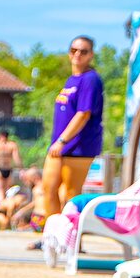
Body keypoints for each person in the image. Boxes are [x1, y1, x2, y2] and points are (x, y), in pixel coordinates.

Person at [38, 36, 104, 228]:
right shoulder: (71, 80)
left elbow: (83, 114)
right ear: (69, 53)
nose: (78, 54)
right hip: (60, 145)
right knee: (48, 189)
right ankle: (53, 233)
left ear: (91, 55)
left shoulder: (90, 79)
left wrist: (63, 140)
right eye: (74, 50)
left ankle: (73, 239)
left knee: (70, 195)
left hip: (78, 146)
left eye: (83, 51)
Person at [0, 128, 21, 203]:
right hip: (8, 169)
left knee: (0, 190)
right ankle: (5, 207)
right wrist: (21, 169)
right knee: (7, 190)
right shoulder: (12, 145)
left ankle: (2, 207)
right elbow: (17, 158)